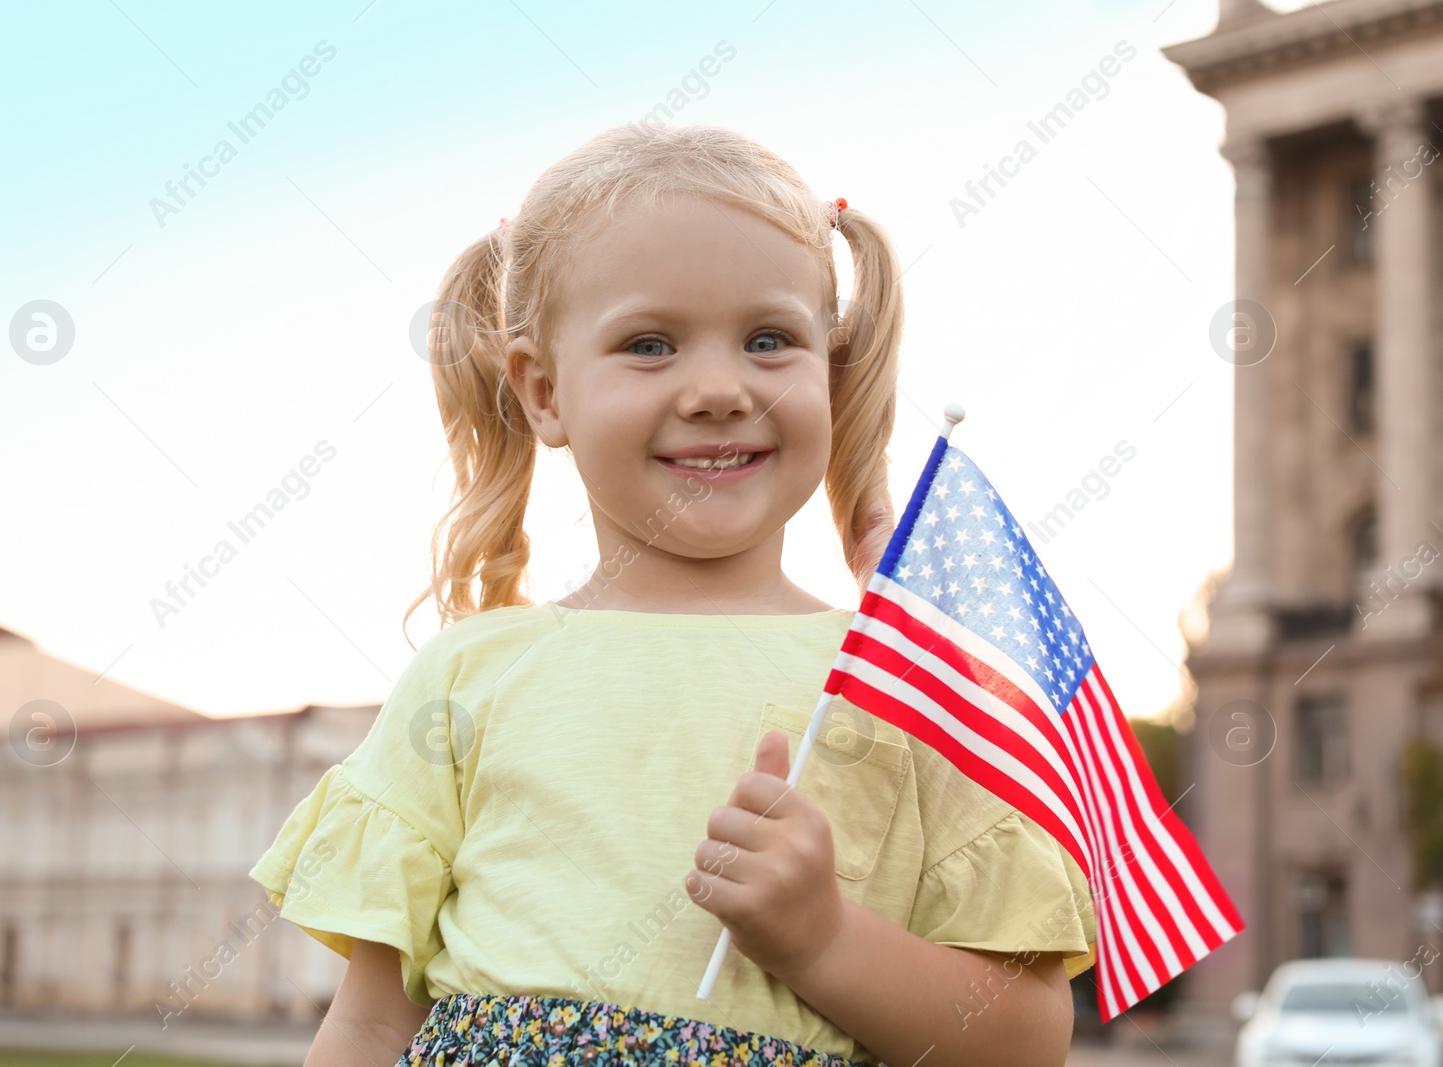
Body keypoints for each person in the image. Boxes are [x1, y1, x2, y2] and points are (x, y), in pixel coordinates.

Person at [249, 122, 1097, 1067]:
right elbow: (368, 1023)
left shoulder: (907, 678)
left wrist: (822, 938)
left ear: (833, 368)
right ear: (543, 391)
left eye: (769, 339)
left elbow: (1020, 1043)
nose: (718, 388)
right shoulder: (469, 674)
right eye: (650, 344)